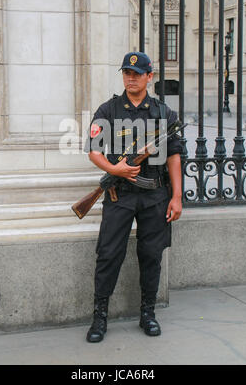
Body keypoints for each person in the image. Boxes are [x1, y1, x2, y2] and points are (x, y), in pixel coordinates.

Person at [84, 52, 183, 343]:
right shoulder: (109, 109)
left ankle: (148, 314)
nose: (131, 78)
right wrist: (115, 169)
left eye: (137, 73)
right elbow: (93, 149)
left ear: (149, 77)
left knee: (151, 256)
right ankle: (100, 316)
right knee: (108, 255)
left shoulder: (165, 114)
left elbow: (174, 157)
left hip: (155, 196)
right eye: (127, 72)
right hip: (119, 195)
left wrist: (177, 197)